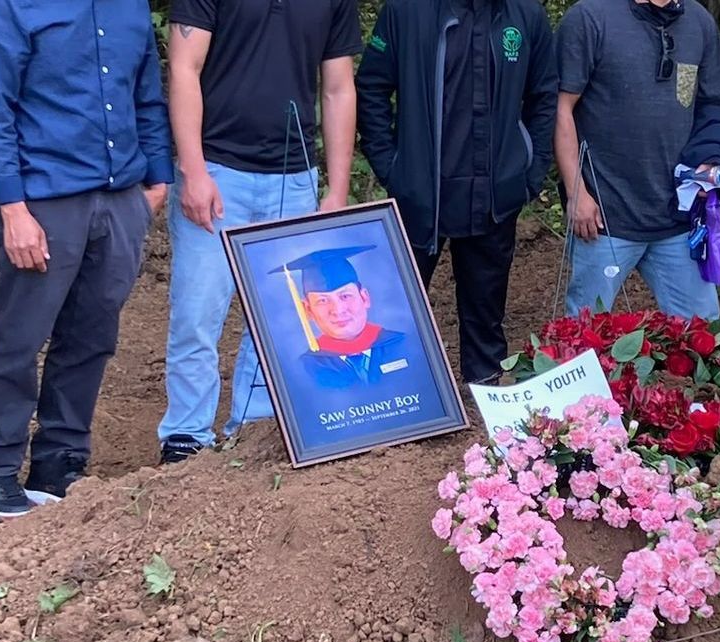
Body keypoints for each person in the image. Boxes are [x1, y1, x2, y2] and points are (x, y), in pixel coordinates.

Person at [0, 0, 172, 519]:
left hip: (120, 199)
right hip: (43, 200)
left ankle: (60, 460)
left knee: (91, 337)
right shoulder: (12, 5)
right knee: (20, 335)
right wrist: (11, 207)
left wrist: (157, 177)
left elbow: (146, 96)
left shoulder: (130, 9)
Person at [156, 0, 363, 465]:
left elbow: (337, 88)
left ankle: (253, 432)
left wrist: (337, 188)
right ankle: (186, 437)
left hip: (294, 177)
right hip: (217, 169)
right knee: (197, 311)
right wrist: (192, 170)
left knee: (276, 319)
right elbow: (185, 67)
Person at [356, 0, 558, 385]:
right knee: (394, 308)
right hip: (421, 195)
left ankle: (485, 400)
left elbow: (544, 93)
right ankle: (389, 399)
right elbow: (371, 86)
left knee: (486, 312)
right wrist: (392, 167)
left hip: (494, 197)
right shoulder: (405, 11)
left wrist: (530, 170)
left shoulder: (525, 15)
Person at [555, 0, 720, 318]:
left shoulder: (699, 22)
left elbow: (711, 109)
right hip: (604, 219)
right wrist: (576, 191)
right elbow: (561, 108)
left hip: (677, 219)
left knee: (705, 335)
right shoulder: (589, 17)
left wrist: (711, 159)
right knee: (582, 339)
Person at [278, 246, 415, 390]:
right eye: (322, 301)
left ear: (364, 298)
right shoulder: (302, 371)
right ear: (308, 310)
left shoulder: (408, 346)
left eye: (345, 296)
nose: (338, 310)